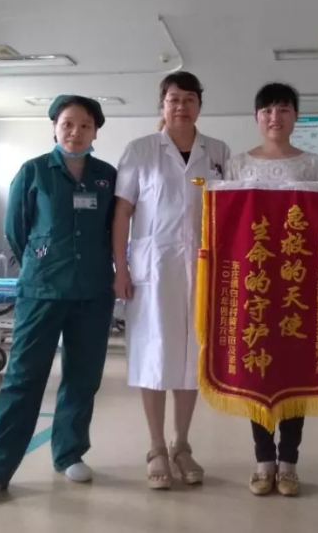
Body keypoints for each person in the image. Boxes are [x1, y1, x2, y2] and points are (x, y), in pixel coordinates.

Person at [0, 95, 117, 503]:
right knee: (23, 377)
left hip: (93, 292)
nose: (75, 132)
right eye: (68, 123)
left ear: (95, 131)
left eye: (85, 125)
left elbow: (113, 229)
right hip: (42, 291)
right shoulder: (33, 171)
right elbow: (16, 230)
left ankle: (69, 452)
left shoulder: (106, 176)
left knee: (83, 377)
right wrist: (41, 264)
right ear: (54, 127)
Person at [113, 71, 231, 490]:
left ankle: (182, 444)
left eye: (189, 99)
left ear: (200, 105)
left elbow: (230, 213)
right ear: (162, 105)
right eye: (173, 99)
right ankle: (156, 447)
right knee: (153, 353)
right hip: (153, 268)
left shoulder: (218, 151)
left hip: (202, 269)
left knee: (191, 356)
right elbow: (123, 213)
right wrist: (121, 268)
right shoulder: (140, 149)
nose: (181, 106)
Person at [223, 82, 318, 498]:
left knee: (294, 367)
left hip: (298, 282)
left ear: (295, 117)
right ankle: (263, 460)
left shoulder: (315, 166)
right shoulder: (237, 165)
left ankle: (289, 462)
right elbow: (226, 224)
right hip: (254, 284)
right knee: (257, 367)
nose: (275, 117)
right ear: (256, 117)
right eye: (267, 110)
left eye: (283, 110)